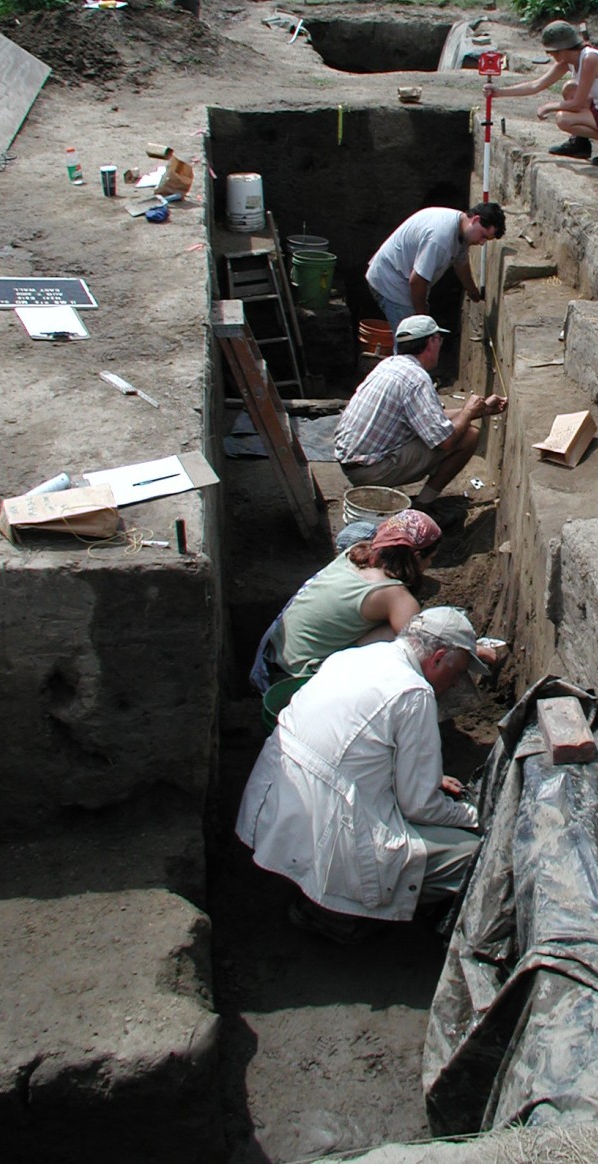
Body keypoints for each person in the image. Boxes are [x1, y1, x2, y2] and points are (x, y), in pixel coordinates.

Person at [236, 607, 489, 944]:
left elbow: (355, 745)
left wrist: (425, 777)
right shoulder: (414, 693)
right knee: (474, 855)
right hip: (333, 837)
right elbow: (420, 808)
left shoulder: (357, 657)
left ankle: (322, 897)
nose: (455, 684)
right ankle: (338, 915)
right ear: (438, 658)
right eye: (456, 675)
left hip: (278, 815)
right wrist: (474, 816)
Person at [249, 509, 443, 694]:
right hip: (298, 682)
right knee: (400, 637)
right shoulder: (395, 596)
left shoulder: (355, 553)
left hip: (270, 659)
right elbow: (425, 655)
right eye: (432, 558)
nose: (431, 564)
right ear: (417, 556)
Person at [334, 313, 507, 516]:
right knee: (469, 436)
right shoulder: (417, 379)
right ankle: (422, 506)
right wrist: (468, 411)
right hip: (371, 469)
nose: (440, 346)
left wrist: (482, 409)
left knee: (455, 427)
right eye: (439, 340)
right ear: (431, 342)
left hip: (351, 461)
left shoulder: (389, 365)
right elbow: (446, 441)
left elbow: (434, 418)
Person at [485, 19, 598, 166]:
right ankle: (580, 144)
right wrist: (499, 92)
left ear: (563, 49)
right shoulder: (569, 62)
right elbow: (536, 85)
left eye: (552, 52)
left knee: (563, 119)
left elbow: (577, 104)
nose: (551, 56)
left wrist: (549, 107)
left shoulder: (589, 59)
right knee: (569, 88)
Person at [366, 203, 506, 332]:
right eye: (483, 236)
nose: (482, 243)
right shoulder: (440, 239)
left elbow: (461, 262)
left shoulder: (462, 228)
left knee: (419, 338)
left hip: (399, 276)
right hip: (391, 281)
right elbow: (417, 281)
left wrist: (472, 290)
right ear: (475, 220)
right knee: (412, 343)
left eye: (486, 240)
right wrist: (423, 321)